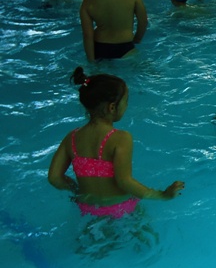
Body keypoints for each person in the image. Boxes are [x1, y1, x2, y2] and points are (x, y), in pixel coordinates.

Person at [47, 67, 184, 219]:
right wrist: (161, 195)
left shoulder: (71, 138)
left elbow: (54, 178)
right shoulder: (120, 138)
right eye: (126, 101)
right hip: (121, 208)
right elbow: (124, 181)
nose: (127, 106)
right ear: (112, 107)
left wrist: (77, 190)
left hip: (88, 209)